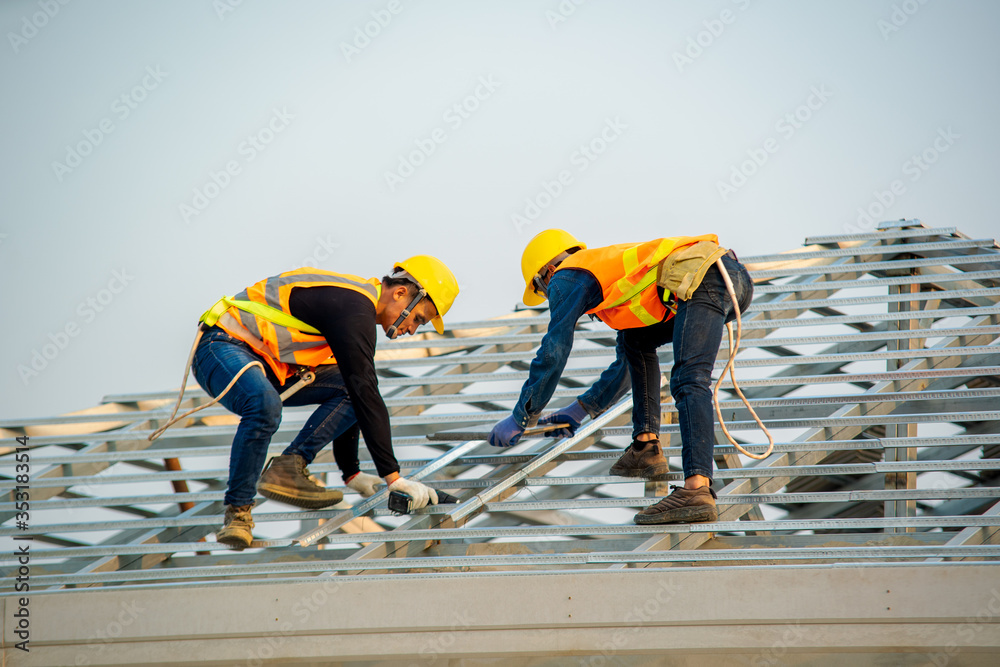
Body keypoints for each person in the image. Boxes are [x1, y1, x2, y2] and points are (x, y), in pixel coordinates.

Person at [488, 230, 753, 525]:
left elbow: (554, 350)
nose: (549, 297)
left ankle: (696, 490)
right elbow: (626, 365)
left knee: (689, 379)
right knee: (635, 343)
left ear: (548, 272)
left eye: (541, 289)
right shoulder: (609, 282)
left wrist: (523, 415)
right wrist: (580, 410)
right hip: (727, 281)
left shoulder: (566, 276)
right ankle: (645, 446)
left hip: (706, 277)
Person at [193, 256, 459, 547]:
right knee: (263, 404)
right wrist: (393, 477)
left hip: (267, 364)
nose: (412, 329)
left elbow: (355, 388)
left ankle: (289, 466)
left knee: (347, 386)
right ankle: (239, 513)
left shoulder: (355, 311)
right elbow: (366, 392)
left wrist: (352, 472)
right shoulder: (353, 307)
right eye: (418, 318)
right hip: (221, 346)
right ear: (400, 293)